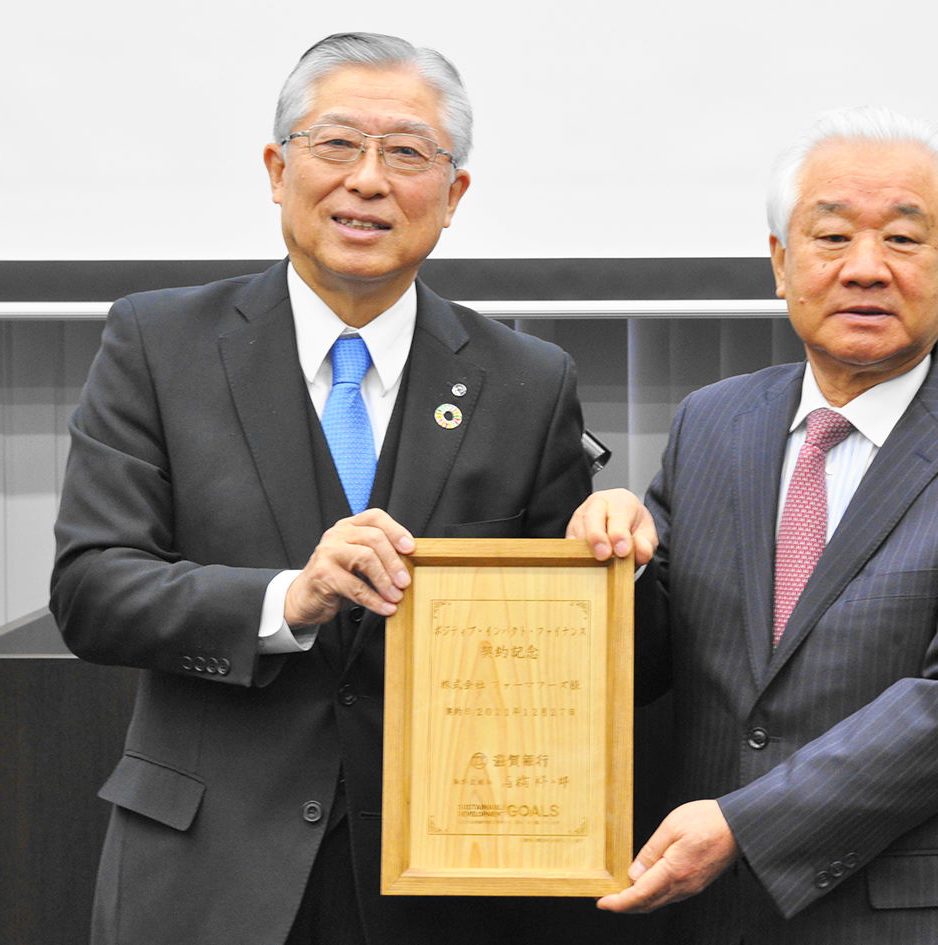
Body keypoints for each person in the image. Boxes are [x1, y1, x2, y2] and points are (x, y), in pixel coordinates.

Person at [52, 32, 622, 945]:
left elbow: (586, 645)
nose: (367, 180)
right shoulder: (158, 344)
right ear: (278, 170)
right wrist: (289, 599)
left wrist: (619, 550)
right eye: (335, 144)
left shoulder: (529, 378)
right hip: (207, 868)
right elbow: (92, 589)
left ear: (453, 195)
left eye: (406, 153)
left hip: (445, 882)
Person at [573, 107, 938, 943]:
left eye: (902, 239)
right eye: (830, 239)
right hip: (705, 915)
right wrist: (609, 572)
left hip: (910, 918)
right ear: (781, 264)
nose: (865, 269)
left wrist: (746, 824)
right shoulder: (712, 423)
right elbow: (650, 660)